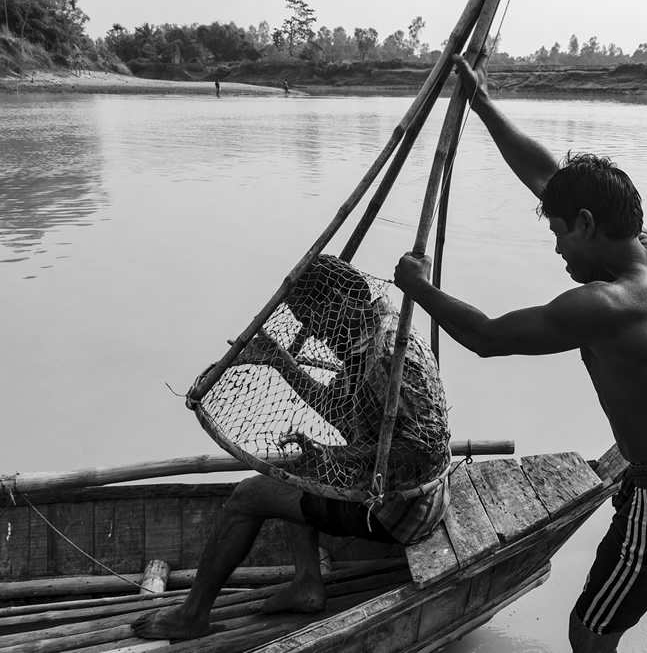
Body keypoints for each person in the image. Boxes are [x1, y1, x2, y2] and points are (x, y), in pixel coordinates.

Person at [393, 55, 647, 653]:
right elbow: (547, 175)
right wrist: (483, 104)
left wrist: (420, 288)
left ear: (588, 223)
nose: (555, 245)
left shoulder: (604, 304)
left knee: (588, 635)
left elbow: (490, 339)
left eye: (557, 231)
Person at [133, 256, 449, 641]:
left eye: (312, 320)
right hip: (417, 496)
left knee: (247, 496)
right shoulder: (368, 333)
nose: (314, 333)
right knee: (297, 470)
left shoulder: (383, 351)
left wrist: (338, 457)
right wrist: (280, 363)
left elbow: (424, 447)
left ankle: (192, 615)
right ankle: (306, 583)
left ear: (341, 301)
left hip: (400, 508)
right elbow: (345, 415)